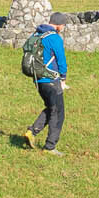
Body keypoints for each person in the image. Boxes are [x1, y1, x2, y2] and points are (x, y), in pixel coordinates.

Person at [24, 13, 71, 154]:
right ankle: (50, 147)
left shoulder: (37, 34)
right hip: (51, 80)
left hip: (38, 79)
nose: (62, 28)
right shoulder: (54, 38)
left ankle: (31, 132)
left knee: (51, 108)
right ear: (59, 24)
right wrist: (63, 78)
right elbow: (61, 59)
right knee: (58, 113)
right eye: (63, 25)